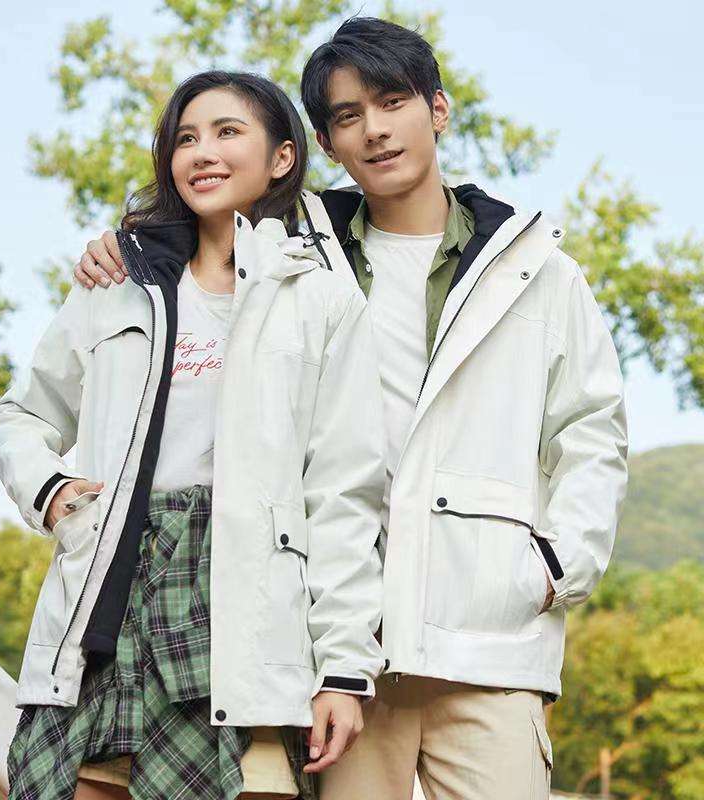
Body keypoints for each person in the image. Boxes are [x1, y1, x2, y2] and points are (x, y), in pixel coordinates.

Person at [77, 16, 629, 800]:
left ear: (437, 109)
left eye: (392, 102)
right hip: (341, 656)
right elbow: (192, 240)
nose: (374, 129)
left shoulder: (537, 269)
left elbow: (592, 431)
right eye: (346, 116)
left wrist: (551, 567)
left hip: (491, 643)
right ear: (325, 145)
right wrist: (125, 245)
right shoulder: (289, 255)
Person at [0, 69, 387, 800]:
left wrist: (343, 669)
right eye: (185, 138)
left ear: (282, 158)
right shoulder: (117, 282)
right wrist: (51, 493)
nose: (202, 152)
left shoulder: (321, 299)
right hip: (107, 590)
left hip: (236, 602)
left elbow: (343, 495)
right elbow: (23, 415)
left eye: (228, 132)